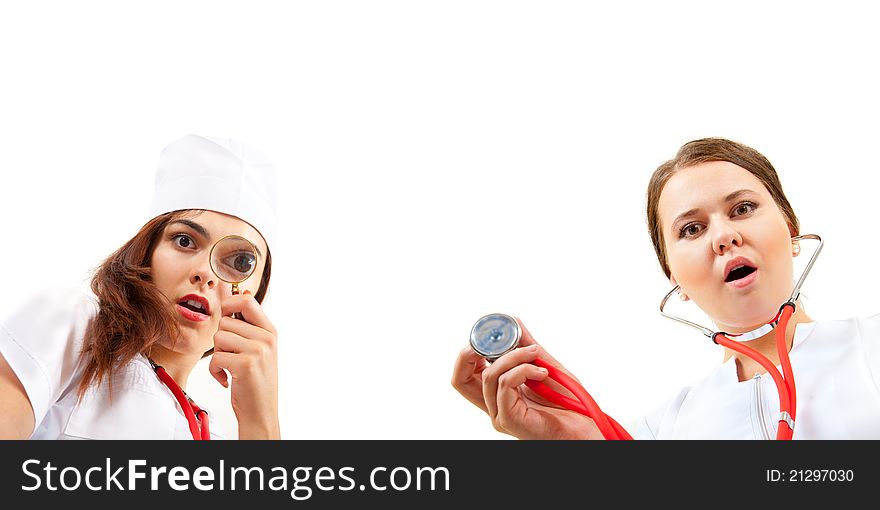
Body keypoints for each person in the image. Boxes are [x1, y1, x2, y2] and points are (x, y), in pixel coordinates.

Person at [452, 137, 880, 439]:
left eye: (743, 207)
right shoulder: (663, 431)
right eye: (692, 229)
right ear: (675, 279)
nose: (724, 237)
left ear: (791, 232)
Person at [0, 134, 280, 439]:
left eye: (240, 262)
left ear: (256, 296)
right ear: (146, 252)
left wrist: (260, 417)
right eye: (184, 241)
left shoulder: (213, 436)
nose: (204, 272)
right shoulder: (72, 329)